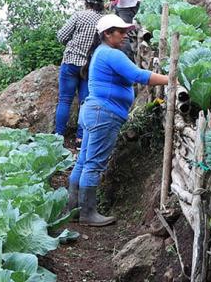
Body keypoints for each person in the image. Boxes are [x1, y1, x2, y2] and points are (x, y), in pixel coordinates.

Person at [67, 14, 168, 226]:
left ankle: (74, 208)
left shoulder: (101, 52)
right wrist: (172, 78)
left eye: (125, 31)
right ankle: (88, 213)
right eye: (120, 32)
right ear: (107, 34)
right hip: (104, 114)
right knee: (93, 164)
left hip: (93, 111)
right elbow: (140, 76)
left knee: (84, 161)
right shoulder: (111, 54)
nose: (124, 35)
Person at [55, 0, 107, 146]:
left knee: (65, 100)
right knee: (85, 102)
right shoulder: (104, 21)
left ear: (87, 2)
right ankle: (80, 138)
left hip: (71, 62)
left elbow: (62, 36)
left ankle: (58, 137)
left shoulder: (79, 15)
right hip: (89, 66)